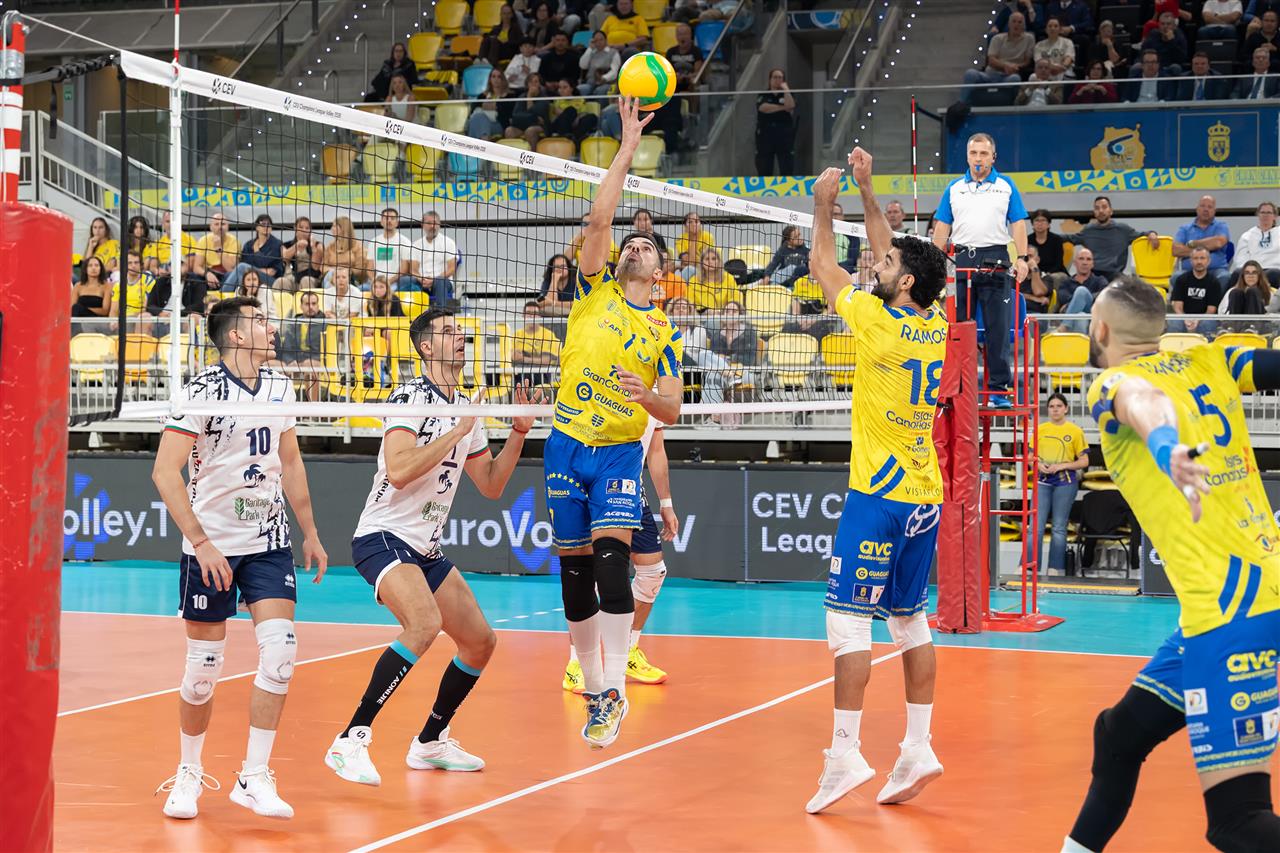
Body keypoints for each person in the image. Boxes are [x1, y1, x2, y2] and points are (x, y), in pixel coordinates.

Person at [1063, 275, 1280, 853]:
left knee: (1239, 821)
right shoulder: (1211, 357)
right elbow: (1270, 366)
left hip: (1230, 611)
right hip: (1247, 594)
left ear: (1099, 329)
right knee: (1119, 736)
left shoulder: (1110, 381)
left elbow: (1144, 401)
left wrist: (1166, 447)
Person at [326, 310, 542, 785]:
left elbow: (491, 485)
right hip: (382, 536)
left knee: (480, 642)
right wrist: (456, 431)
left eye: (460, 330)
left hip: (425, 548)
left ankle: (429, 742)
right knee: (423, 624)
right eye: (448, 332)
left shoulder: (466, 407)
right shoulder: (409, 398)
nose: (460, 336)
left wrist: (519, 433)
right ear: (426, 347)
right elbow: (399, 470)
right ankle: (350, 739)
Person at [807, 147, 951, 813]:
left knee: (847, 625)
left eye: (886, 265)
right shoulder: (933, 321)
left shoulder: (875, 320)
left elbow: (822, 266)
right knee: (910, 620)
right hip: (925, 494)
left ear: (904, 284)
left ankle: (844, 755)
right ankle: (918, 746)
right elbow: (897, 253)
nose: (877, 262)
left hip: (880, 495)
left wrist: (823, 205)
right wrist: (868, 191)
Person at [151, 296, 327, 821]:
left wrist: (311, 532)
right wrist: (201, 541)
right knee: (203, 671)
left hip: (268, 541)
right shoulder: (200, 391)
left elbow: (291, 463)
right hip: (212, 547)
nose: (271, 328)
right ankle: (188, 772)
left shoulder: (279, 386)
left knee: (281, 654)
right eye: (260, 321)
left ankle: (254, 776)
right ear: (234, 335)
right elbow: (164, 472)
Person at [544, 97, 683, 749]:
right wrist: (626, 148)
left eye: (646, 247)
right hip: (566, 444)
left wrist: (646, 396)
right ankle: (597, 688)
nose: (634, 247)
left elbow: (672, 408)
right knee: (573, 573)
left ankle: (616, 690)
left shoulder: (663, 331)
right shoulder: (592, 289)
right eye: (631, 243)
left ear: (659, 272)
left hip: (619, 452)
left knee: (610, 566)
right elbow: (600, 216)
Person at [562, 416, 678, 692]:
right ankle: (576, 663)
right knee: (592, 574)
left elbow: (656, 450)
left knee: (653, 572)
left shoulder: (658, 401)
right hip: (594, 484)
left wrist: (666, 503)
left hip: (631, 487)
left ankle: (628, 650)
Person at [932, 132, 1029, 408]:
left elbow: (1018, 224)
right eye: (973, 153)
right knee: (957, 329)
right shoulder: (954, 188)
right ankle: (956, 390)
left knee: (998, 329)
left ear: (993, 157)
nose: (978, 158)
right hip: (960, 260)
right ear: (967, 157)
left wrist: (1022, 258)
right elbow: (942, 226)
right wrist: (935, 261)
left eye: (983, 154)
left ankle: (998, 391)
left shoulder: (1006, 186)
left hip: (996, 259)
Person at [1034, 393, 1088, 575]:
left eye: (1059, 406)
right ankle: (1028, 567)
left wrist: (1061, 466)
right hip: (1042, 481)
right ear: (1047, 410)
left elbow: (1084, 461)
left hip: (1065, 483)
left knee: (1058, 527)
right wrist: (1038, 465)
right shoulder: (1040, 429)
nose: (1055, 409)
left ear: (1066, 408)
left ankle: (1056, 568)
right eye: (1051, 406)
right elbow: (1030, 456)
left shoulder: (1075, 431)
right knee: (1035, 527)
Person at [1063, 196, 1159, 281]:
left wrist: (1152, 233)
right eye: (1097, 208)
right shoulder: (1088, 230)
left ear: (1111, 211)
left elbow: (1143, 235)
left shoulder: (1123, 230)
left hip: (1115, 276)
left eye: (1104, 207)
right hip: (1093, 276)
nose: (1101, 211)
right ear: (1094, 213)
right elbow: (1069, 238)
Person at [962, 11, 1035, 99]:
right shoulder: (997, 38)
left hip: (1009, 76)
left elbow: (1027, 61)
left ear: (1024, 25)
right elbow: (991, 60)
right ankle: (962, 103)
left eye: (1020, 22)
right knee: (970, 73)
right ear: (1009, 24)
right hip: (991, 74)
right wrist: (1005, 66)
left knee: (1015, 79)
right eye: (1014, 21)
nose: (1016, 24)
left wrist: (1015, 67)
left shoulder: (1029, 38)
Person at [279, 289, 326, 401]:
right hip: (297, 362)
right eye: (307, 304)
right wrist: (290, 361)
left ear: (318, 305)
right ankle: (281, 406)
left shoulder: (325, 323)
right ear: (301, 306)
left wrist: (308, 361)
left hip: (317, 362)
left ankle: (313, 408)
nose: (311, 307)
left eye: (314, 304)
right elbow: (286, 348)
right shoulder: (294, 323)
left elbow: (327, 350)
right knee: (274, 366)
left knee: (310, 367)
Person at [1174, 196, 1232, 287]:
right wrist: (1207, 248)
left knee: (1225, 277)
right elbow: (1176, 250)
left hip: (1216, 270)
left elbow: (1218, 242)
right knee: (1176, 277)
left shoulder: (1221, 226)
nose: (1206, 209)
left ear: (1214, 211)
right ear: (1197, 209)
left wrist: (1193, 244)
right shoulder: (1184, 229)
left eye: (1210, 207)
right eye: (1202, 206)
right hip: (1189, 271)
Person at [408, 211, 459, 306]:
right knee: (405, 281)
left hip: (442, 281)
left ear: (439, 225)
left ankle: (441, 312)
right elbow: (413, 269)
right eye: (429, 223)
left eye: (435, 223)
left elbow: (452, 268)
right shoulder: (416, 244)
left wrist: (434, 280)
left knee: (440, 281)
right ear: (422, 225)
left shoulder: (448, 243)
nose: (432, 226)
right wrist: (421, 279)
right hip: (421, 282)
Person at [1055, 246, 1108, 333]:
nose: (1085, 262)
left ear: (1092, 264)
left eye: (1088, 259)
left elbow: (1104, 295)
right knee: (1081, 316)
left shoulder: (1100, 280)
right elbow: (1063, 298)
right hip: (1078, 321)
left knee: (1081, 291)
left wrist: (1082, 298)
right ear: (1075, 263)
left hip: (1094, 316)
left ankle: (1065, 325)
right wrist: (1078, 301)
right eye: (1081, 259)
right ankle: (1082, 342)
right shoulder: (1066, 282)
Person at [1170, 247, 1223, 334]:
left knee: (1208, 323)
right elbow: (1177, 306)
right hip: (1185, 316)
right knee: (1174, 322)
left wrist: (1198, 320)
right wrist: (1185, 319)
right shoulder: (1181, 280)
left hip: (1204, 318)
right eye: (1195, 258)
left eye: (1202, 258)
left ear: (1208, 261)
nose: (1199, 262)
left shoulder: (1214, 282)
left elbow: (1211, 310)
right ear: (1191, 261)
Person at [225, 214, 285, 291]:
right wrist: (256, 270)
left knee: (242, 268)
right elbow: (244, 266)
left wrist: (256, 251)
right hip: (250, 279)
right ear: (257, 227)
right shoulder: (248, 245)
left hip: (271, 281)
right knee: (230, 274)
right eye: (263, 224)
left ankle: (223, 293)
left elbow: (271, 271)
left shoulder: (277, 244)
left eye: (269, 225)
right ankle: (241, 295)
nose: (266, 227)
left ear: (271, 228)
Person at [1230, 201, 1280, 290]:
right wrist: (1251, 271)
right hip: (1252, 270)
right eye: (1262, 212)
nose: (1265, 215)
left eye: (1269, 213)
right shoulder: (1247, 236)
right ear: (1258, 215)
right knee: (1237, 273)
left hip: (1275, 269)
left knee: (1273, 274)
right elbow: (1240, 259)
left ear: (1275, 216)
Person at [755, 68, 796, 176]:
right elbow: (763, 108)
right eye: (775, 77)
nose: (777, 80)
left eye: (780, 78)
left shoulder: (787, 94)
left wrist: (786, 90)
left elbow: (791, 105)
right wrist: (783, 107)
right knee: (764, 165)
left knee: (786, 164)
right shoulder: (764, 94)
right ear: (770, 79)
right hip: (766, 134)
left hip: (784, 133)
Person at [366, 207, 417, 293]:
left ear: (397, 223)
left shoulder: (405, 242)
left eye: (392, 218)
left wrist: (387, 282)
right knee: (362, 289)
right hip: (376, 283)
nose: (389, 220)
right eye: (386, 218)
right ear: (381, 222)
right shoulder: (373, 242)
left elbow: (404, 269)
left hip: (396, 283)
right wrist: (376, 282)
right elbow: (369, 268)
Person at [513, 300, 562, 386]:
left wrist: (524, 358)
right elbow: (513, 357)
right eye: (528, 313)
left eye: (535, 313)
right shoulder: (517, 335)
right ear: (523, 315)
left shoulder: (548, 335)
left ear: (539, 316)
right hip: (521, 375)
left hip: (542, 376)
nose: (532, 316)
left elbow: (546, 361)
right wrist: (537, 358)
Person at [322, 216, 371, 288]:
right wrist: (334, 270)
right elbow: (323, 266)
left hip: (351, 279)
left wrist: (343, 271)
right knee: (331, 276)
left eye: (335, 226)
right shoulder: (330, 247)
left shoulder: (358, 246)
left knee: (338, 277)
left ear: (344, 228)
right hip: (331, 276)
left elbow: (360, 269)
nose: (331, 229)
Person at [197, 211, 241, 291]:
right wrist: (207, 274)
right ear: (211, 227)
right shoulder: (203, 240)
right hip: (210, 273)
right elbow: (196, 267)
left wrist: (218, 248)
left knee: (232, 275)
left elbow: (230, 268)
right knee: (194, 276)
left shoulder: (234, 241)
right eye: (216, 224)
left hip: (226, 274)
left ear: (227, 226)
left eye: (223, 224)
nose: (220, 227)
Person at [687, 246, 739, 311]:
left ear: (719, 262)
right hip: (700, 315)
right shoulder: (693, 280)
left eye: (714, 259)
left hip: (724, 315)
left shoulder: (729, 278)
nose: (710, 262)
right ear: (702, 263)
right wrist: (704, 312)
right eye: (707, 259)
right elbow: (689, 304)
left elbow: (735, 302)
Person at [281, 215, 325, 291]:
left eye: (307, 228)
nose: (304, 230)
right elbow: (285, 258)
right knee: (281, 281)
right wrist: (296, 246)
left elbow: (316, 267)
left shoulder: (318, 245)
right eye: (301, 227)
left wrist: (313, 247)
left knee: (305, 280)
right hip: (292, 278)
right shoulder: (286, 245)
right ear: (295, 228)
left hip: (311, 278)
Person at [71, 256, 113, 331]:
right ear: (85, 269)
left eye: (96, 265)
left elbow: (105, 311)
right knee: (76, 308)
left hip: (97, 319)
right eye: (90, 266)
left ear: (101, 268)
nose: (93, 268)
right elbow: (72, 307)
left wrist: (84, 309)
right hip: (79, 319)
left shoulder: (107, 286)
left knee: (78, 308)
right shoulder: (78, 286)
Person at [578, 30, 621, 95]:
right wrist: (590, 48)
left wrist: (603, 78)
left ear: (606, 40)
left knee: (601, 90)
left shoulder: (613, 52)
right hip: (590, 82)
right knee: (581, 89)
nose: (598, 42)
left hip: (607, 82)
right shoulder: (591, 52)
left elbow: (614, 71)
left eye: (601, 39)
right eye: (596, 40)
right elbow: (582, 66)